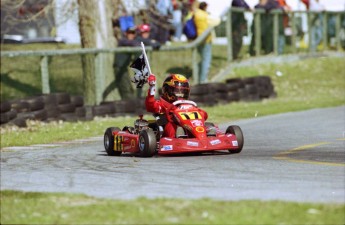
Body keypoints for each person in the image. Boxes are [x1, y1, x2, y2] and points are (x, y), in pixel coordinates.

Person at [145, 73, 208, 138]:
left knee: (205, 126)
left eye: (183, 92)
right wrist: (151, 89)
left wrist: (201, 114)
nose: (180, 95)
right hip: (169, 129)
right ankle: (178, 137)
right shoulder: (162, 104)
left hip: (189, 127)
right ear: (167, 91)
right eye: (177, 92)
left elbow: (204, 115)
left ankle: (206, 134)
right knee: (172, 127)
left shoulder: (189, 105)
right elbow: (151, 106)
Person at [103, 27, 140, 100]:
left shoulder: (132, 42)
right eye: (130, 33)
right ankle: (129, 105)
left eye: (133, 33)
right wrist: (141, 42)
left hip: (124, 68)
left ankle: (130, 103)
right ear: (126, 33)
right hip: (119, 68)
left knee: (128, 87)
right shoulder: (123, 41)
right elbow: (132, 43)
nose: (131, 35)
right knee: (125, 88)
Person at [194, 1, 220, 83]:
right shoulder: (205, 15)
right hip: (206, 39)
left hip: (198, 38)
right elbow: (217, 21)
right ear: (205, 7)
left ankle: (199, 76)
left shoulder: (196, 14)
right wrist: (208, 14)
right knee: (206, 60)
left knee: (202, 59)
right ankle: (203, 79)